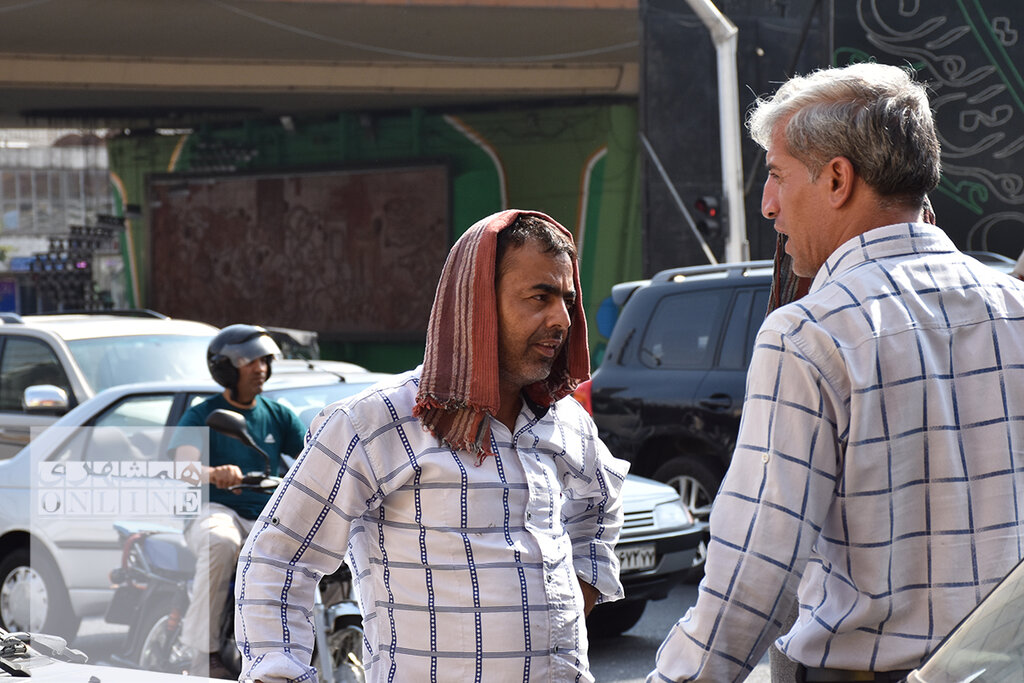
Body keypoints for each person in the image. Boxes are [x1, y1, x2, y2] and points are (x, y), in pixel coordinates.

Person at [648, 62, 1024, 682]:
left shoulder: (811, 333)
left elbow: (754, 573)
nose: (768, 205)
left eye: (776, 175)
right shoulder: (1013, 306)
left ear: (838, 179)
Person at [234, 210, 628, 683]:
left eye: (567, 299)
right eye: (539, 297)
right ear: (477, 304)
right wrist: (282, 673)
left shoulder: (564, 418)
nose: (561, 319)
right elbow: (276, 558)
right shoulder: (375, 422)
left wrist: (580, 586)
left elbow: (600, 502)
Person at [170, 324, 307, 679]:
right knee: (221, 541)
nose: (260, 368)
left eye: (265, 360)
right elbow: (182, 468)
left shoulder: (279, 414)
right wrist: (214, 473)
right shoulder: (202, 414)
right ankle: (205, 653)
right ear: (227, 370)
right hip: (216, 511)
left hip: (266, 515)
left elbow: (313, 458)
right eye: (250, 361)